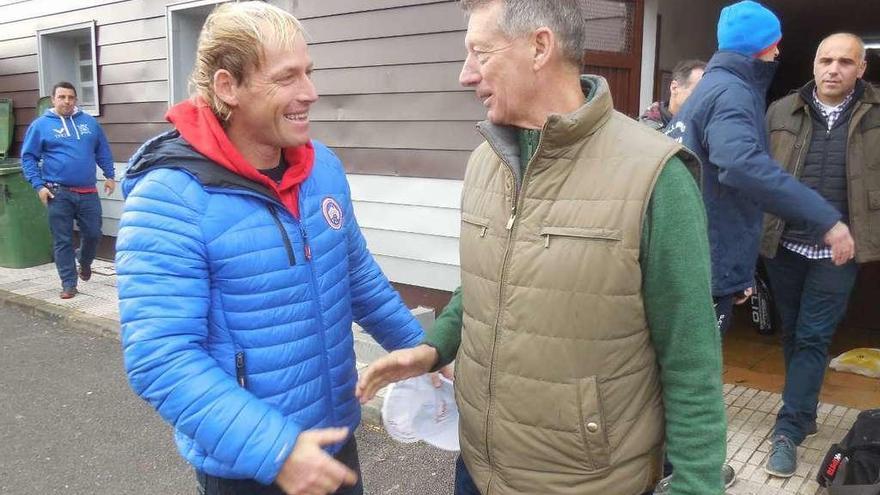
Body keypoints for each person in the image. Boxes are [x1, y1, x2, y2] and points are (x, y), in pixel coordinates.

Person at [357, 1, 727, 494]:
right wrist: (431, 348)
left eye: (479, 53)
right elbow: (487, 282)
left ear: (539, 47)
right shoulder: (486, 163)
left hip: (583, 483)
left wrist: (696, 484)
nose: (466, 74)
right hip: (477, 468)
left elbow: (691, 357)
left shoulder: (656, 177)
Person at [115, 3, 424, 494]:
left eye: (309, 73)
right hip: (249, 464)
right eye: (287, 78)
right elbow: (161, 356)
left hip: (332, 436)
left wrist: (423, 349)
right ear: (227, 87)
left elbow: (357, 277)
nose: (310, 93)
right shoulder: (170, 197)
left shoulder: (320, 167)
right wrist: (276, 450)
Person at [665, 0, 855, 336]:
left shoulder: (712, 86)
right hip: (706, 260)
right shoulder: (733, 93)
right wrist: (825, 219)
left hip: (697, 253)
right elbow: (740, 164)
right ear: (764, 46)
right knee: (696, 373)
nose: (779, 50)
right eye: (775, 42)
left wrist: (738, 271)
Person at [760, 33, 879, 478]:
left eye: (845, 62)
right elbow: (761, 173)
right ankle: (803, 410)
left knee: (812, 337)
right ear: (813, 64)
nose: (834, 69)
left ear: (861, 69)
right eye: (825, 60)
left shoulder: (877, 114)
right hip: (784, 244)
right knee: (792, 333)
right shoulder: (781, 110)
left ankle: (788, 430)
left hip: (839, 251)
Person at [20, 81, 115, 299]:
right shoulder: (41, 125)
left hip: (88, 191)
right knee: (62, 240)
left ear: (76, 100)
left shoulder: (89, 123)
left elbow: (102, 150)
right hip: (57, 192)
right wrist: (38, 185)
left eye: (70, 97)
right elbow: (29, 158)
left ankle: (84, 260)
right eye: (61, 97)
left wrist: (109, 175)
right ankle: (69, 283)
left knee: (93, 234)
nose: (66, 101)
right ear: (53, 100)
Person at [640, 59, 706, 130]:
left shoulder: (708, 128)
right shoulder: (645, 130)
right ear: (674, 87)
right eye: (698, 92)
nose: (704, 99)